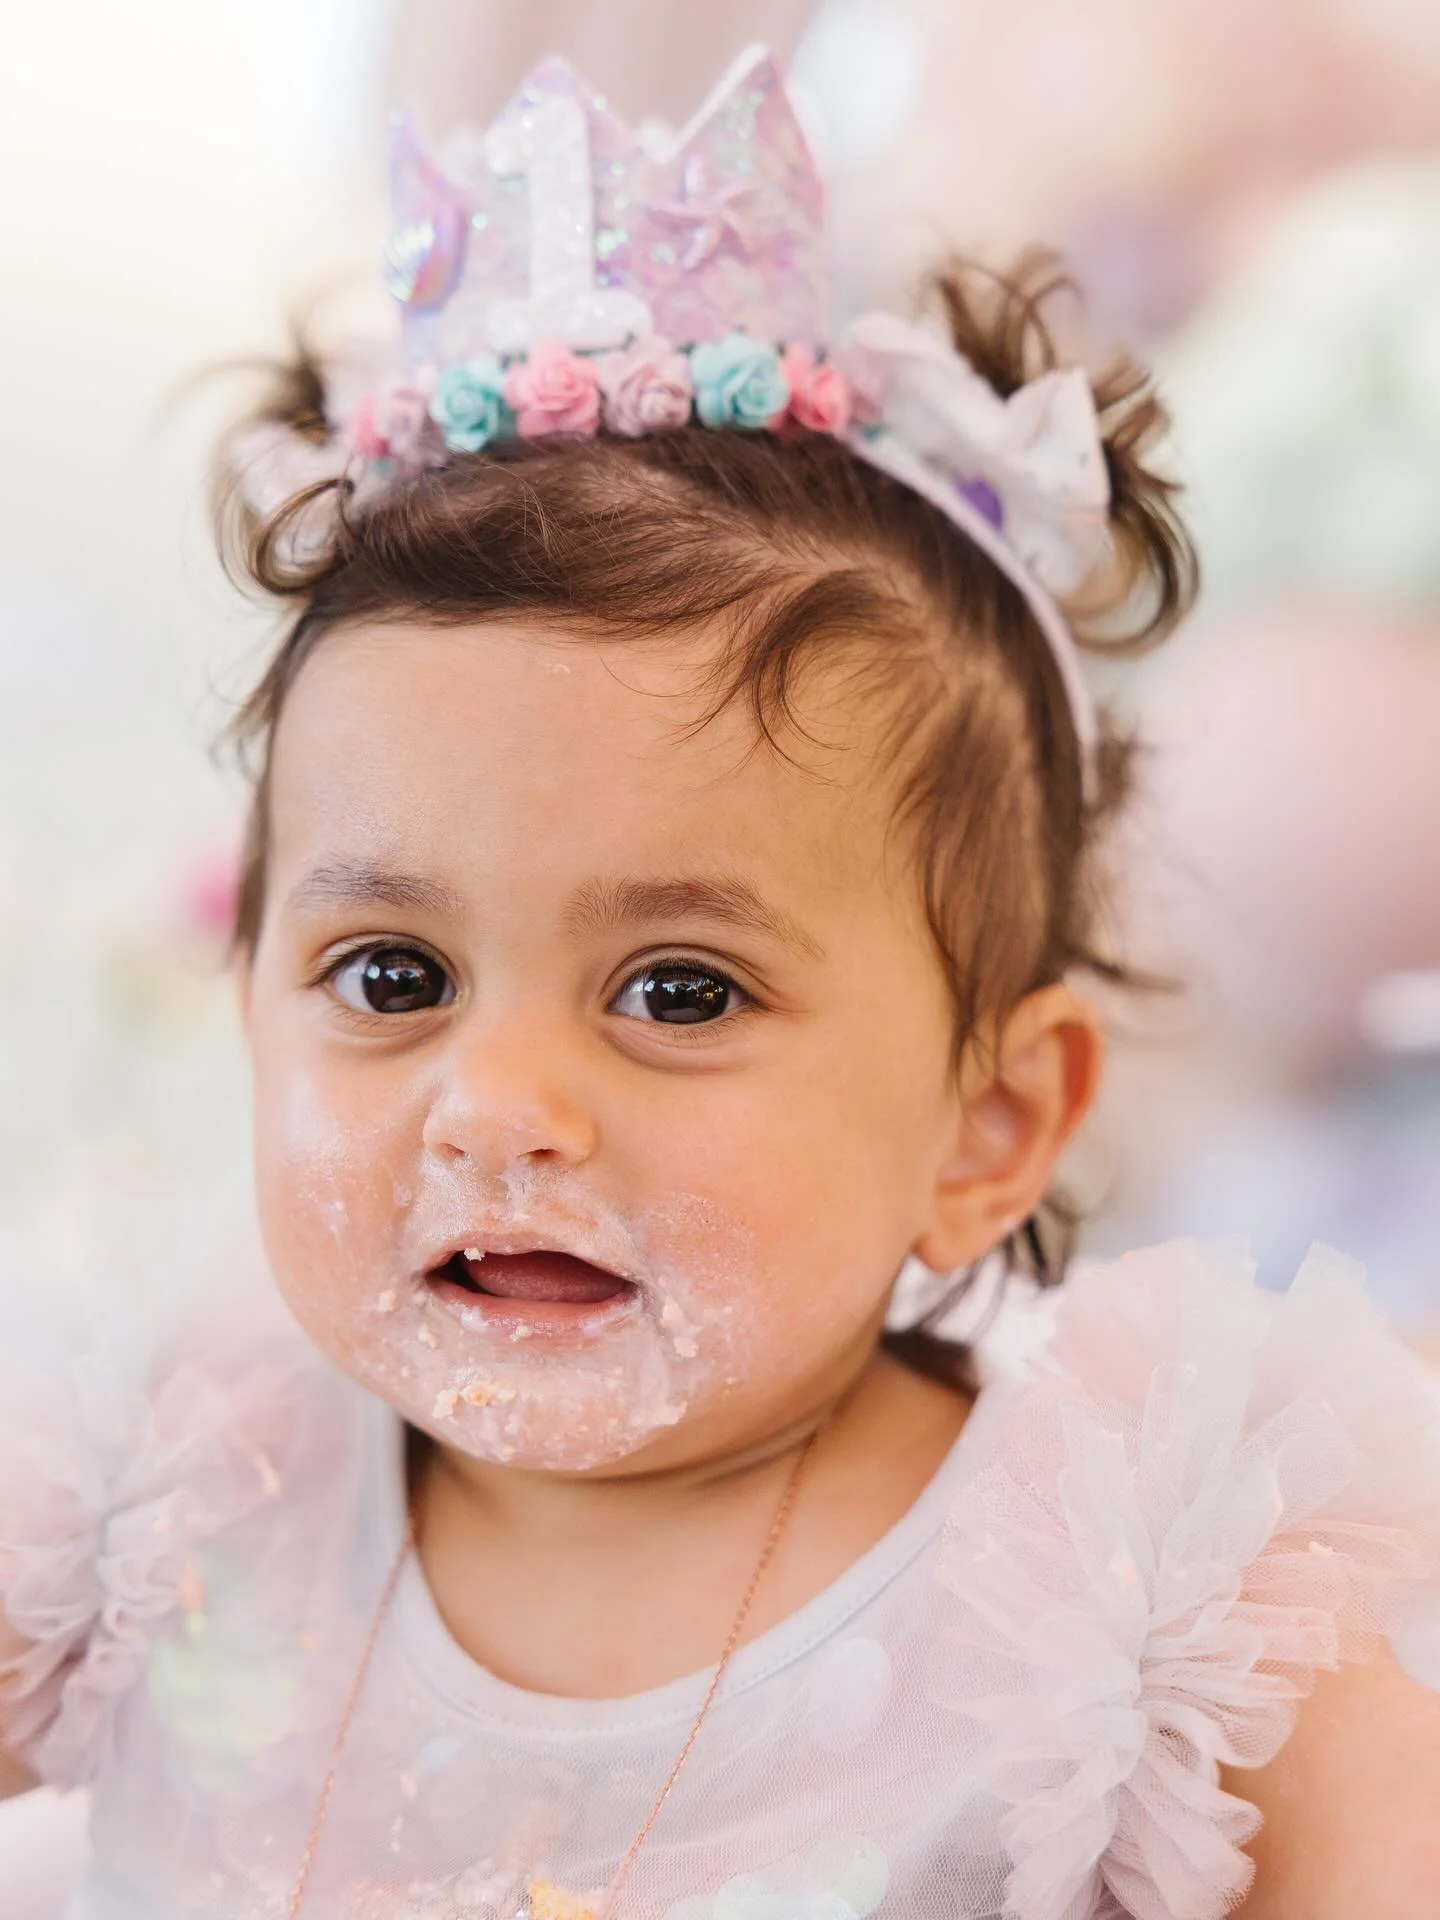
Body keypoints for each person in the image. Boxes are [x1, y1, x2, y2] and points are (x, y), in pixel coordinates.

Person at [3, 48, 1439, 1920]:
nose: (499, 1102)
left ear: (987, 1124)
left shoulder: (1131, 1623)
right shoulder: (165, 1488)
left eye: (678, 992)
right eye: (390, 971)